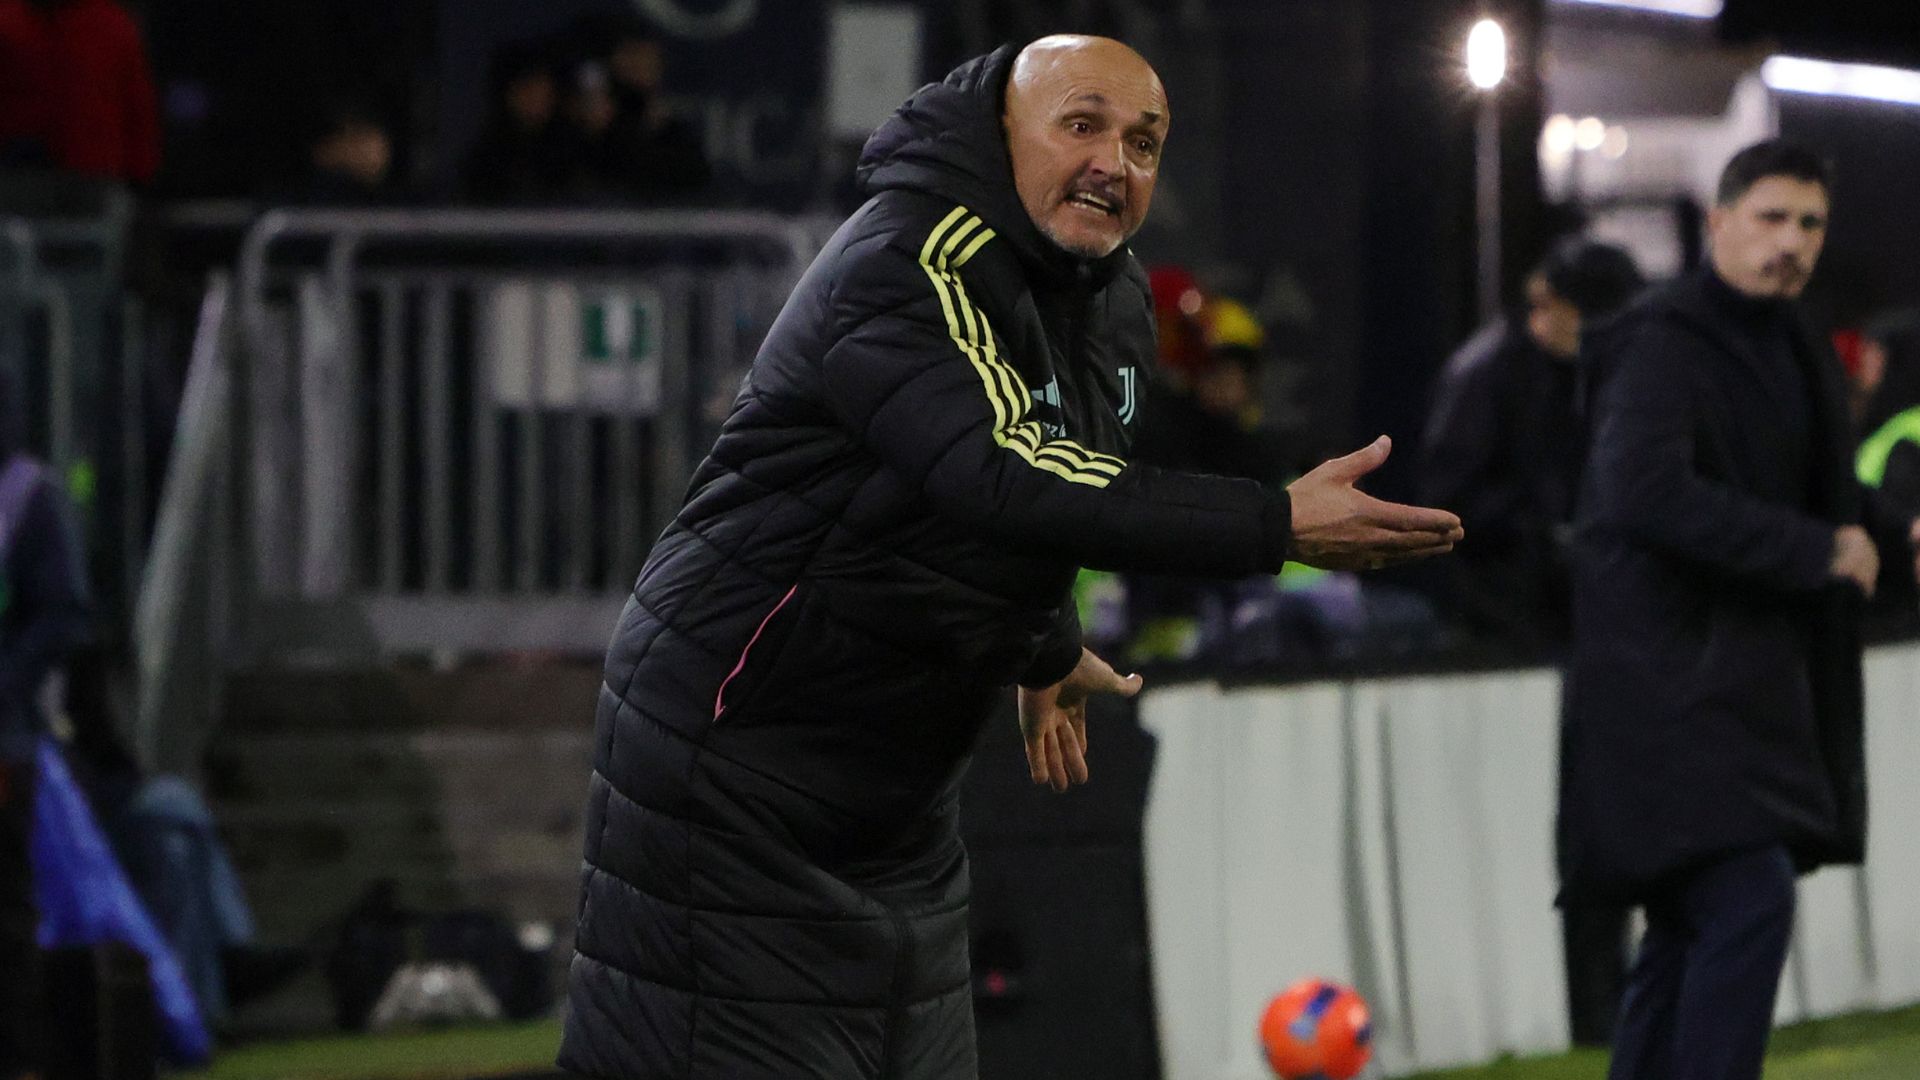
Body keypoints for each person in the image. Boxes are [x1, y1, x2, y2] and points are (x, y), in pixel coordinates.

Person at [559, 35, 1461, 1080]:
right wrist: (1272, 524)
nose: (1113, 163)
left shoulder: (1113, 300)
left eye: (1144, 144)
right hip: (732, 756)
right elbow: (1000, 469)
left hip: (893, 783)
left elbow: (1046, 493)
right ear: (1000, 134)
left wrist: (1041, 639)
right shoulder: (909, 257)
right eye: (1081, 125)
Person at [1559, 139, 1920, 1080]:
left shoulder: (1792, 341)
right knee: (1746, 894)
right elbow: (1643, 492)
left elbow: (1816, 489)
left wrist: (1897, 536)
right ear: (1717, 221)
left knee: (1689, 928)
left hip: (1741, 687)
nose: (1791, 241)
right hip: (1665, 686)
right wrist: (1817, 552)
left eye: (1811, 224)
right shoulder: (1661, 341)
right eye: (1771, 217)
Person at [1419, 238, 1644, 648]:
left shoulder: (1586, 368)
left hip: (1583, 603)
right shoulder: (1484, 375)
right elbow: (1447, 503)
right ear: (1556, 306)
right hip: (1502, 613)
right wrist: (1545, 533)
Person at [0, 372, 93, 1080]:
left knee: (5, 908)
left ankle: (20, 1060)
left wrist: (6, 684)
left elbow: (60, 613)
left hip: (2, 739)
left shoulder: (25, 495)